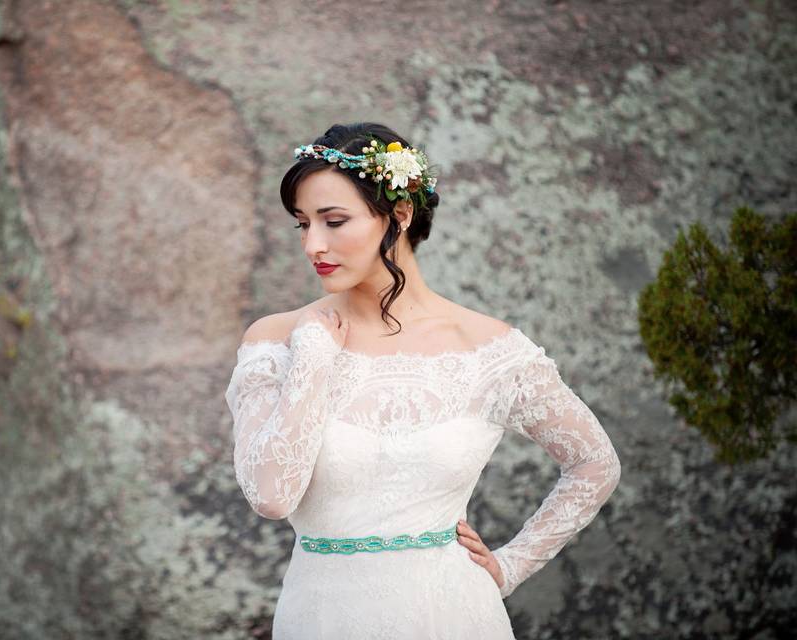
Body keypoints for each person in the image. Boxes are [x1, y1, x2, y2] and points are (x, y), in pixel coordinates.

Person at [223, 122, 622, 639]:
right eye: (302, 224)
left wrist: (512, 565)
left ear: (401, 214)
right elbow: (272, 497)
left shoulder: (489, 349)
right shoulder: (277, 341)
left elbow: (595, 462)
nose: (312, 244)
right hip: (321, 618)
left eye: (334, 220)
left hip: (455, 615)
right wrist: (312, 358)